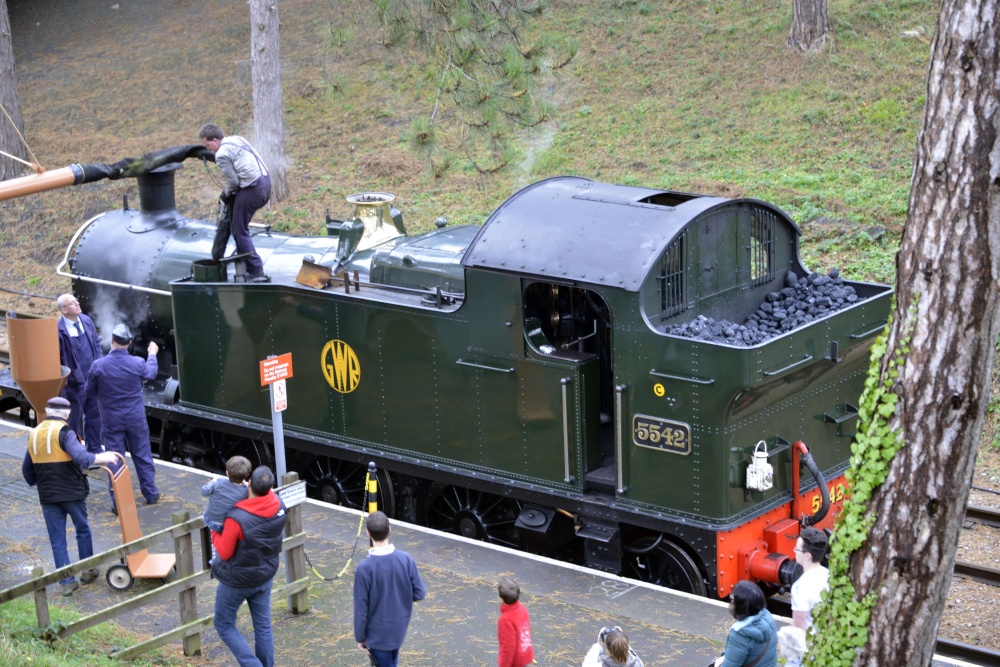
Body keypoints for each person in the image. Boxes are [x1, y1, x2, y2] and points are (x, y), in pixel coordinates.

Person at [21, 396, 117, 596]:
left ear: (48, 412)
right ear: (67, 414)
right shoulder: (65, 432)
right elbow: (81, 457)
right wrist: (103, 457)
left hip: (48, 495)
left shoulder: (34, 433)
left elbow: (27, 471)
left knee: (57, 540)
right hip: (72, 492)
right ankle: (88, 571)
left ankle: (66, 583)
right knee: (82, 529)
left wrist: (44, 482)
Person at [212, 465, 287, 667]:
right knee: (263, 626)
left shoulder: (237, 518)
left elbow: (224, 552)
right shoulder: (280, 505)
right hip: (264, 574)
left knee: (224, 624)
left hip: (237, 581)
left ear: (250, 483)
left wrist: (214, 531)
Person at [86, 322, 159, 512]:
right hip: (135, 418)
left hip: (112, 420)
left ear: (112, 341)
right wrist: (152, 354)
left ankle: (118, 503)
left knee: (115, 459)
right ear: (130, 343)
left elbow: (89, 392)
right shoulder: (137, 363)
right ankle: (150, 494)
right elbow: (151, 373)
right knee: (142, 455)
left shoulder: (98, 366)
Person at [197, 122, 272, 282]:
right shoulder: (237, 139)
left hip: (253, 189)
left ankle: (255, 270)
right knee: (239, 225)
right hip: (266, 183)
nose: (208, 149)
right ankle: (244, 261)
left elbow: (234, 182)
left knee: (238, 230)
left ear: (215, 140)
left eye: (208, 145)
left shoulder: (221, 155)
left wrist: (225, 194)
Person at [353, 511, 426, 667]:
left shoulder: (363, 569)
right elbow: (420, 592)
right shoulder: (406, 559)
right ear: (389, 529)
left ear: (368, 533)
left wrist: (360, 637)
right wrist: (400, 596)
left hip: (377, 635)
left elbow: (361, 609)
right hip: (399, 629)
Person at [56, 293, 103, 453]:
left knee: (94, 417)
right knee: (73, 420)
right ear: (64, 309)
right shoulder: (58, 330)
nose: (77, 303)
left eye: (76, 301)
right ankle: (71, 452)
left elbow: (96, 343)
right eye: (72, 303)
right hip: (74, 384)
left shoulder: (86, 320)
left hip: (92, 380)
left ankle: (94, 450)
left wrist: (99, 364)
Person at [713, 580, 777, 667]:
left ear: (742, 605)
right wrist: (725, 657)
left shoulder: (740, 634)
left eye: (733, 599)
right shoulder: (768, 618)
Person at [791, 527, 829, 631]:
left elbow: (798, 628)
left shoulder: (800, 587)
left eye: (797, 549)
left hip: (809, 640)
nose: (795, 551)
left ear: (808, 556)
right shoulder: (829, 575)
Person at [202, 455, 252, 533]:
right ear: (247, 475)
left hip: (209, 519)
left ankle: (213, 533)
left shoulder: (219, 482)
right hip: (225, 525)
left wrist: (213, 481)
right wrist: (245, 485)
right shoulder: (245, 491)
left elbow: (204, 492)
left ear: (227, 472)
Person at [497, 576, 535, 667]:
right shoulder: (522, 609)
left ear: (501, 599)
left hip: (515, 662)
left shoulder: (505, 620)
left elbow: (508, 648)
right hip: (524, 654)